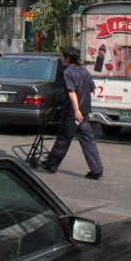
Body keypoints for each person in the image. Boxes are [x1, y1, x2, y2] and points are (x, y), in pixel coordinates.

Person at [38, 46, 104, 179]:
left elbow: (71, 91)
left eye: (62, 57)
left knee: (63, 139)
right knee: (88, 141)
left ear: (67, 59)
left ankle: (51, 164)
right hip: (84, 113)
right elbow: (92, 89)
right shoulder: (84, 72)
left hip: (72, 113)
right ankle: (97, 169)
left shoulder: (68, 72)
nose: (61, 59)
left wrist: (76, 109)